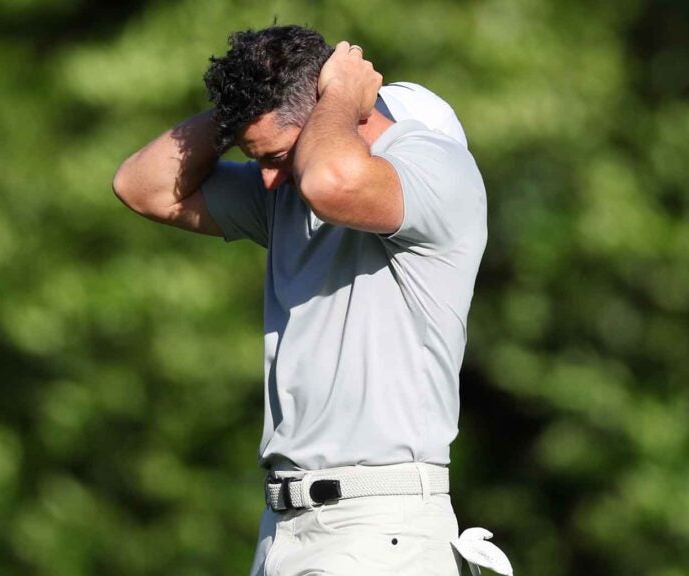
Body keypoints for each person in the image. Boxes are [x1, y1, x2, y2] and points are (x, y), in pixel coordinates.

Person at [113, 25, 510, 576]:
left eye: (275, 155)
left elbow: (329, 180)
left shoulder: (434, 168)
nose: (267, 179)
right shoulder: (288, 188)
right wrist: (247, 108)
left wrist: (341, 95)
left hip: (380, 528)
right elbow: (143, 185)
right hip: (286, 530)